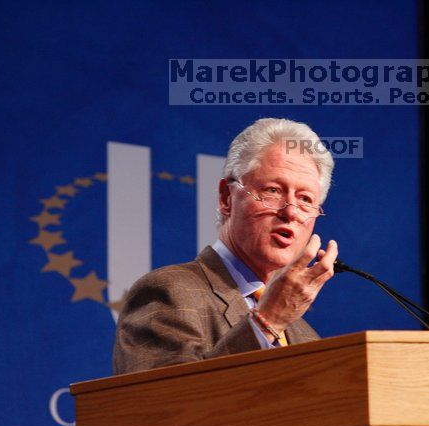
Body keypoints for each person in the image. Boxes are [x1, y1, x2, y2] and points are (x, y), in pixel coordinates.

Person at [112, 118, 337, 374]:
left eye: (305, 199)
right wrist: (267, 323)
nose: (291, 212)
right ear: (226, 198)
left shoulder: (306, 337)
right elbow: (167, 406)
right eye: (273, 191)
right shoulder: (169, 293)